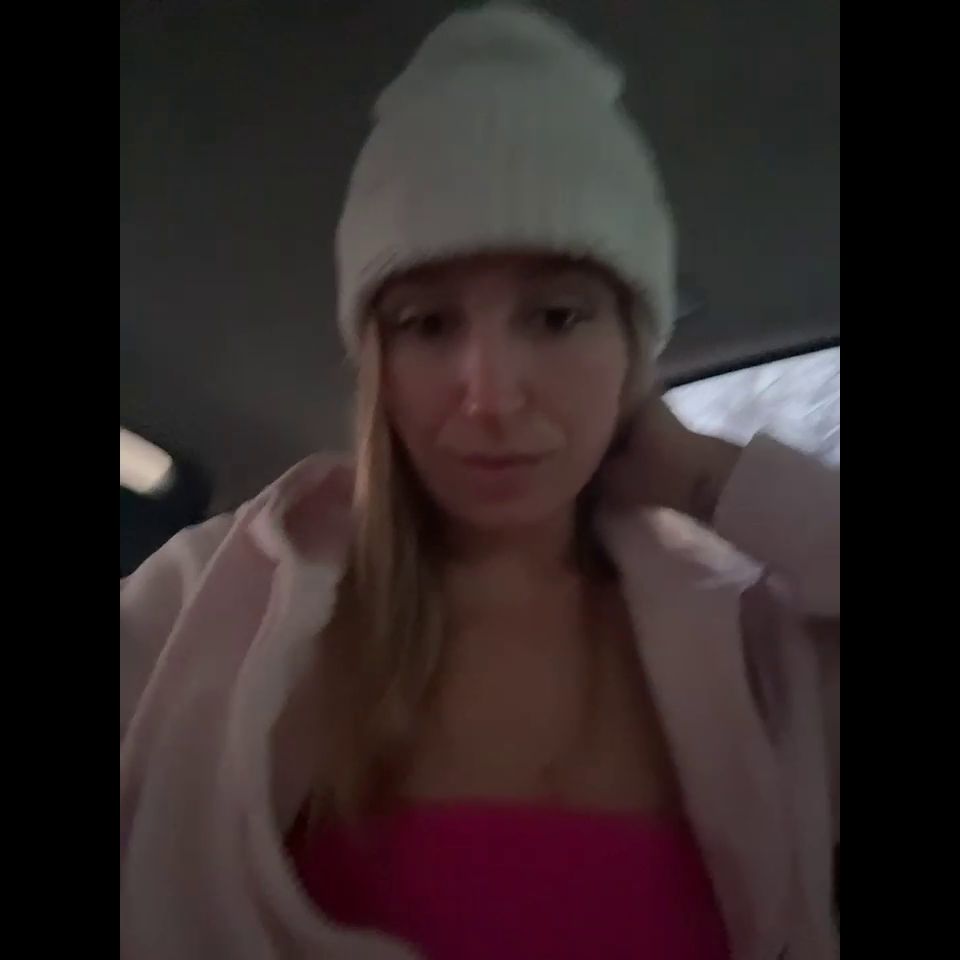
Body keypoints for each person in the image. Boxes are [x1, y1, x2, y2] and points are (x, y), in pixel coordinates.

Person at [120, 5, 839, 959]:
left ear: (633, 348)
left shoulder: (753, 651)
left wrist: (710, 477)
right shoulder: (210, 597)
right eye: (427, 325)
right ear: (376, 362)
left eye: (556, 317)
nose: (492, 397)